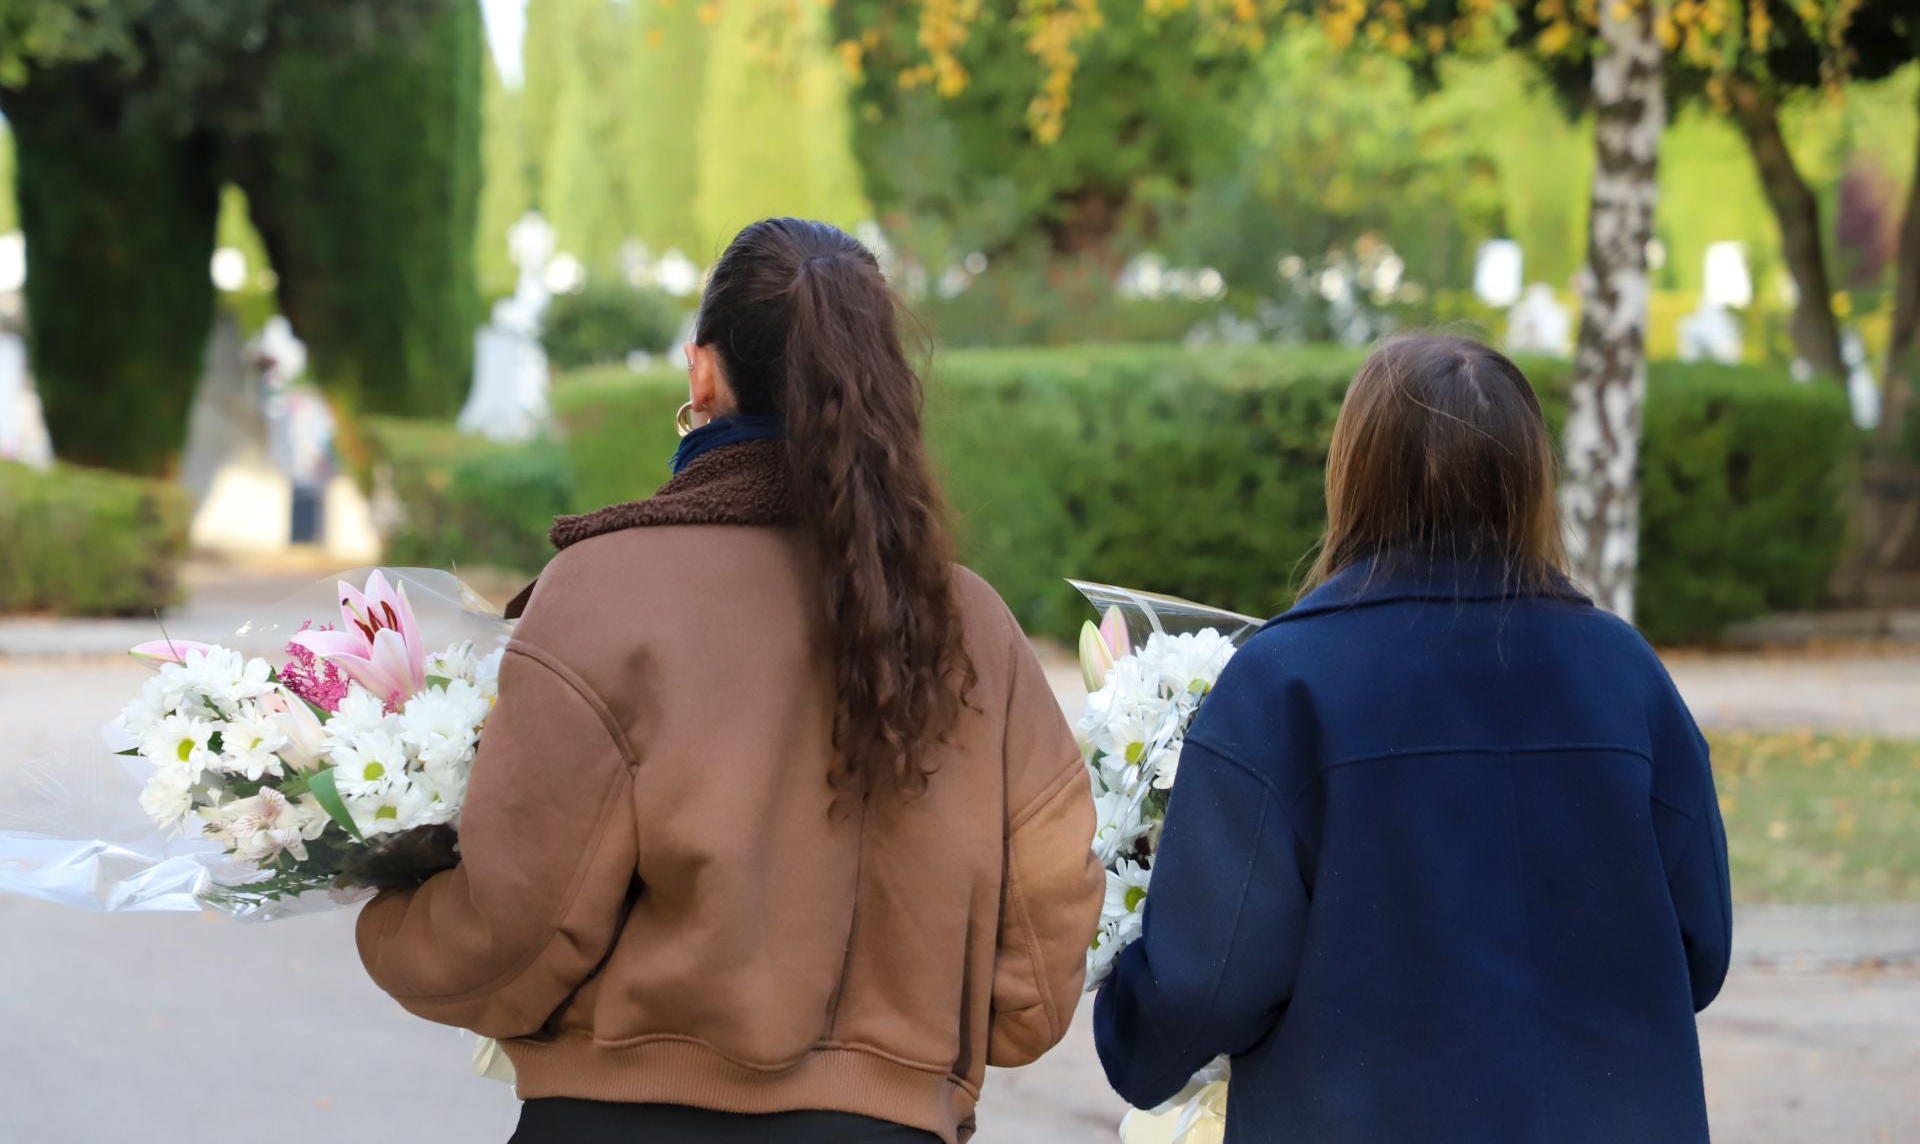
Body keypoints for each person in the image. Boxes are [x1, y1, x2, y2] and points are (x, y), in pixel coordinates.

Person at [357, 217, 1104, 1144]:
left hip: (619, 1121)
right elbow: (1043, 939)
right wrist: (910, 1054)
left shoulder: (598, 590)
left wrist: (385, 919)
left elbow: (519, 927)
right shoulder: (972, 626)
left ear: (702, 372)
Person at [1095, 333, 1732, 1143]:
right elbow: (1698, 950)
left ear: (1354, 472)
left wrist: (1129, 1018)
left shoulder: (1285, 684)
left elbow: (1206, 982)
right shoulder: (1628, 677)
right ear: (1533, 478)